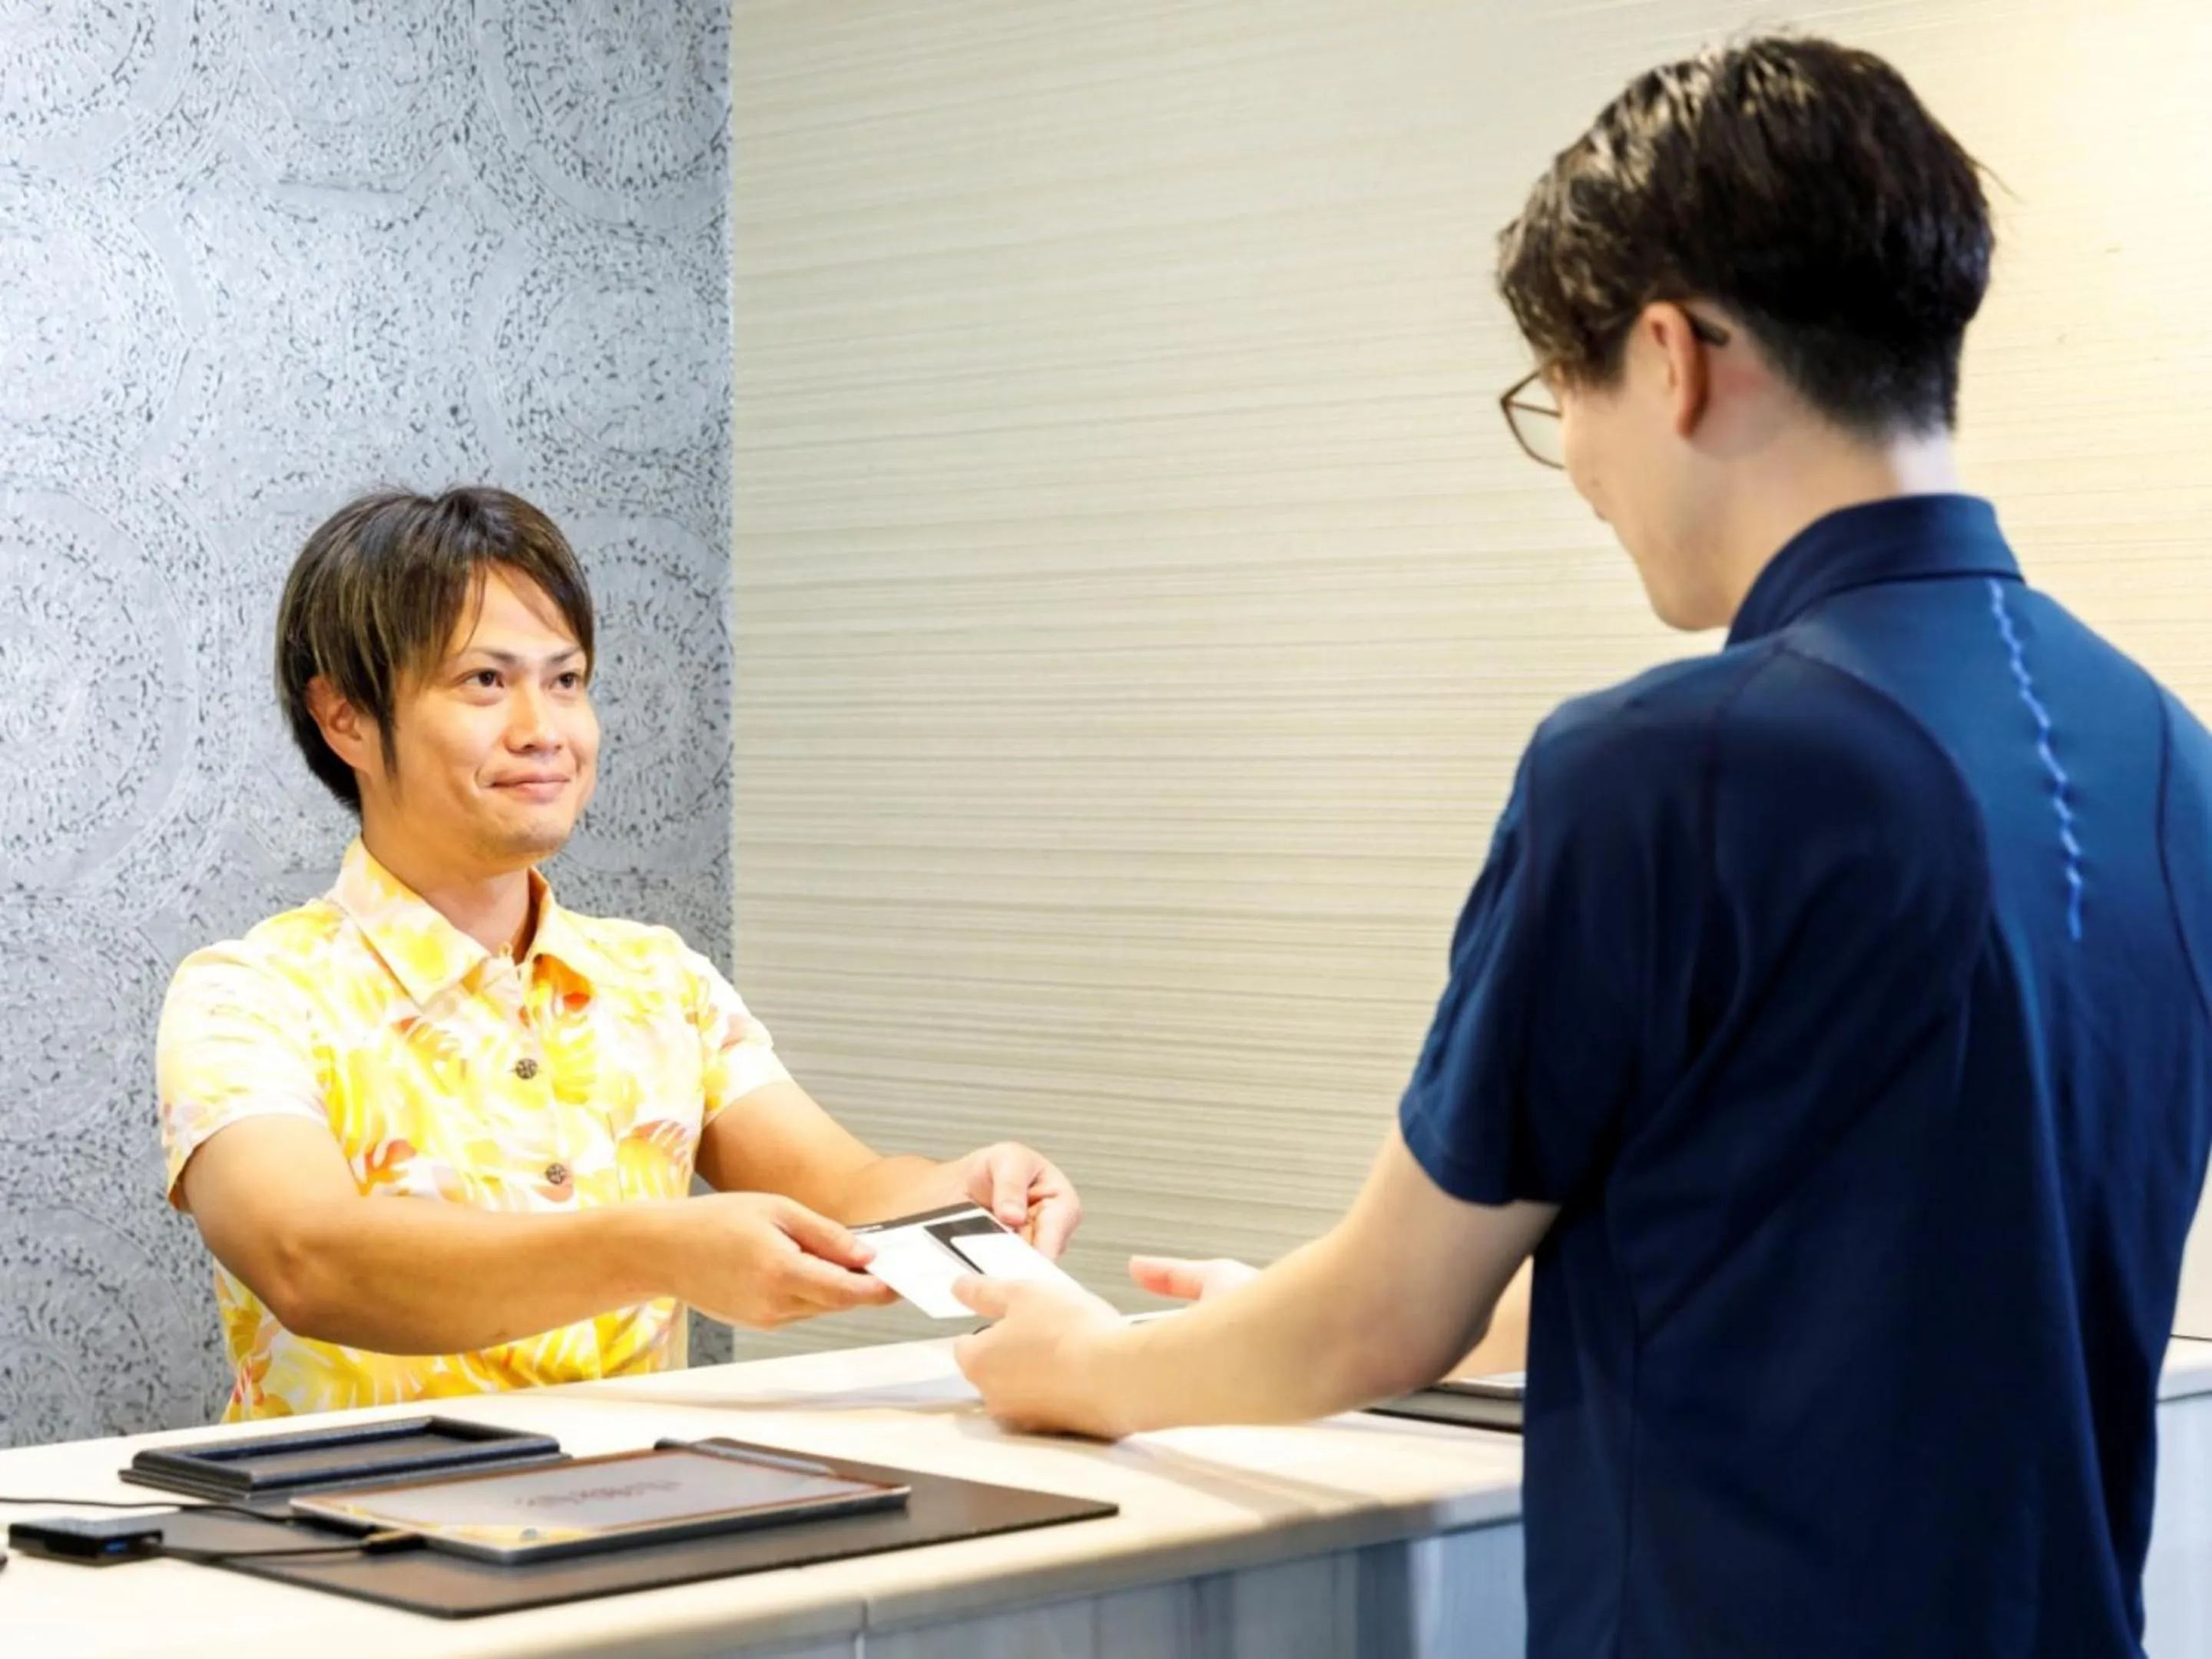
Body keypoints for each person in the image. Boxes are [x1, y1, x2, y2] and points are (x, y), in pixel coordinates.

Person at [952, 35, 2212, 1659]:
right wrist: (1344, 1302)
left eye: (1569, 399)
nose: (1590, 477)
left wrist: (1081, 1362)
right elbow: (1859, 1249)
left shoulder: (1662, 765)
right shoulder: (2171, 759)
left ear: (1673, 356)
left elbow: (1385, 1315)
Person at [160, 486, 1081, 1421]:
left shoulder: (658, 979)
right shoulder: (248, 994)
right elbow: (309, 1260)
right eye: (485, 682)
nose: (543, 730)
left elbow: (840, 1188)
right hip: (341, 1533)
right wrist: (658, 1248)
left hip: (639, 1516)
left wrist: (959, 1194)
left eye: (565, 681)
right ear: (345, 715)